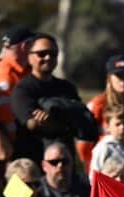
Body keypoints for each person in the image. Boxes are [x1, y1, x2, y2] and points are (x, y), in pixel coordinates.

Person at [10, 33, 84, 163]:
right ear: (29, 57)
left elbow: (81, 122)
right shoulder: (22, 90)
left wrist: (50, 120)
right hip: (31, 168)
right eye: (42, 54)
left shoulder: (68, 88)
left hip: (64, 167)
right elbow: (32, 124)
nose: (48, 57)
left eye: (53, 53)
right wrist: (64, 122)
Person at [77, 54, 124, 167]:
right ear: (109, 78)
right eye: (119, 75)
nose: (123, 80)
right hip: (106, 171)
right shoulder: (96, 106)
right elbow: (84, 149)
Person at [0, 26, 33, 153]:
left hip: (23, 144)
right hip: (15, 151)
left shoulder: (21, 71)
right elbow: (7, 124)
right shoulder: (5, 77)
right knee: (17, 174)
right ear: (25, 46)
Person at [89, 105, 124, 179]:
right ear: (108, 127)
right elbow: (94, 175)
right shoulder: (104, 147)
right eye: (117, 124)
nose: (122, 127)